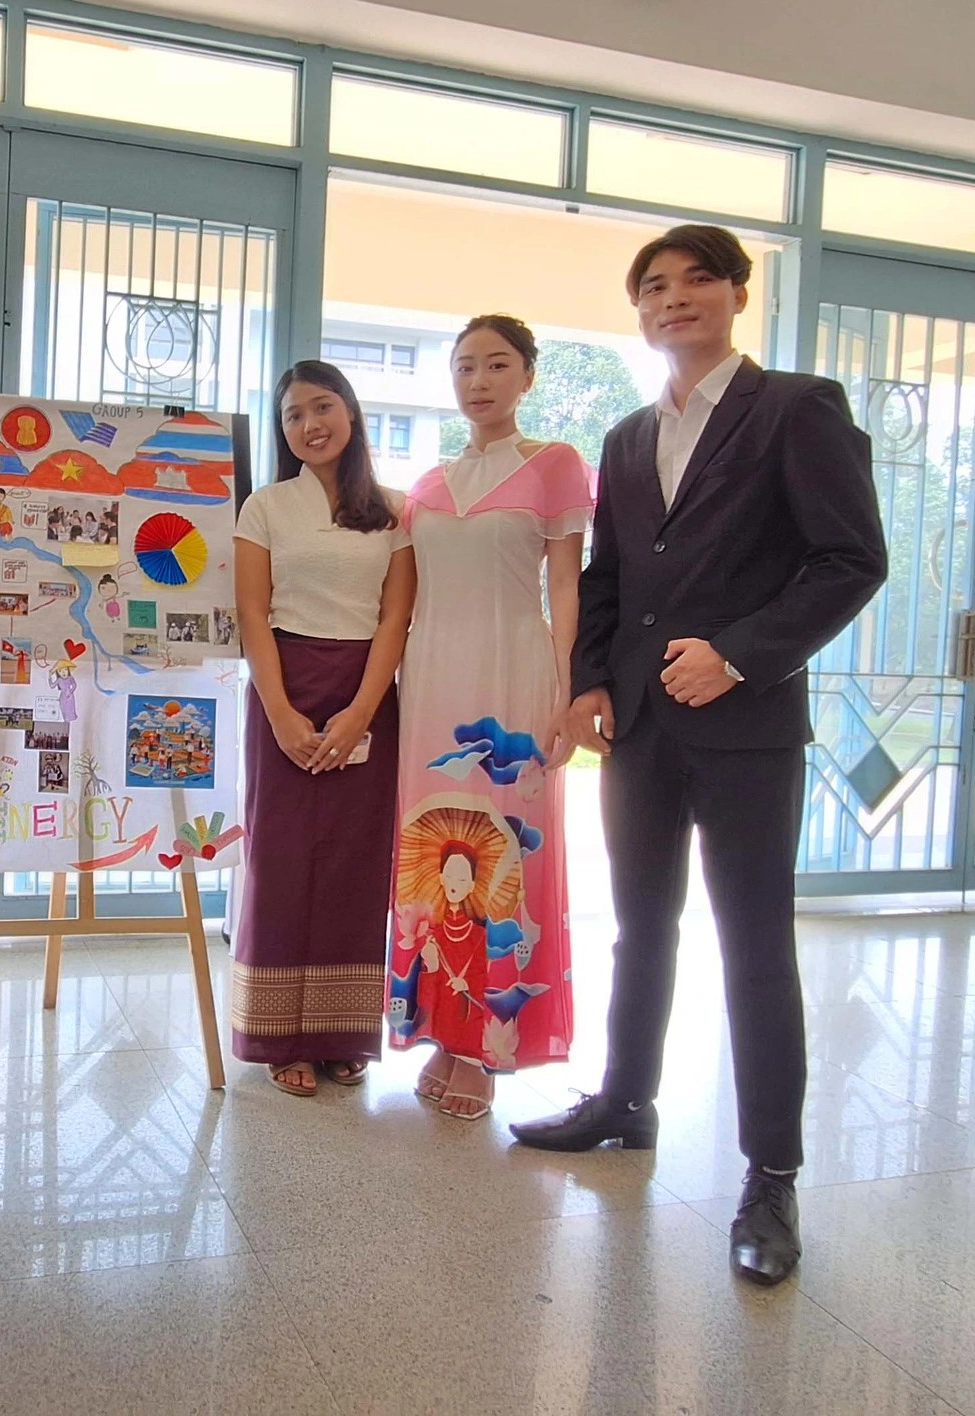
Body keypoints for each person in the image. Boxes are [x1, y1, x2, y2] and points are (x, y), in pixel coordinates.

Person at [511, 225, 887, 1287]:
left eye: (692, 282)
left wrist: (737, 655)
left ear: (733, 293)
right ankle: (624, 1101)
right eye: (652, 288)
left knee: (753, 945)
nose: (671, 300)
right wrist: (587, 684)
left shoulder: (795, 408)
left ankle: (770, 1173)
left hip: (746, 726)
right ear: (637, 310)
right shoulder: (627, 436)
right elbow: (609, 575)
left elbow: (849, 558)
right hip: (636, 725)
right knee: (638, 926)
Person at [389, 316, 592, 1122]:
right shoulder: (427, 486)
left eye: (497, 364)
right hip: (430, 675)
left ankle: (487, 1044)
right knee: (431, 855)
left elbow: (567, 589)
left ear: (527, 376)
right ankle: (441, 1030)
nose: (479, 381)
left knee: (503, 851)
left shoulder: (556, 465)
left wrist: (566, 695)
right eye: (465, 366)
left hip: (514, 676)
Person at [230, 360, 414, 1096]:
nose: (310, 424)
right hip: (283, 682)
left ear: (351, 413)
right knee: (281, 861)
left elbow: (396, 618)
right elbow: (252, 614)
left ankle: (343, 1035)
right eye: (294, 415)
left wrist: (363, 709)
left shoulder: (397, 510)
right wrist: (280, 713)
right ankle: (281, 1038)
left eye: (323, 406)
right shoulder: (266, 506)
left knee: (354, 864)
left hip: (368, 690)